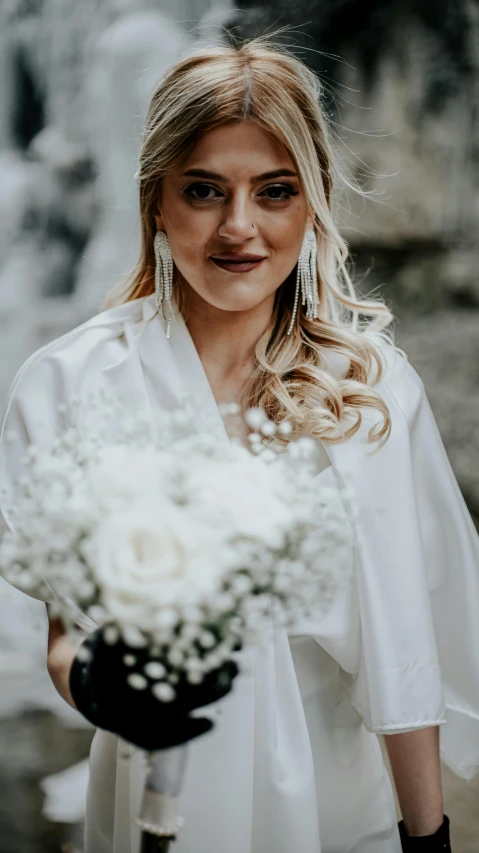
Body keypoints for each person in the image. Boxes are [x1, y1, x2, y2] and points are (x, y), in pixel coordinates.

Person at [1, 38, 478, 853]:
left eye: (274, 191)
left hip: (339, 798)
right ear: (155, 199)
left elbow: (403, 648)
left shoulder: (370, 388)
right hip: (155, 785)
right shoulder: (70, 381)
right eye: (203, 191)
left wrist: (426, 836)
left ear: (313, 201)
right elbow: (66, 637)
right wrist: (105, 686)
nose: (239, 227)